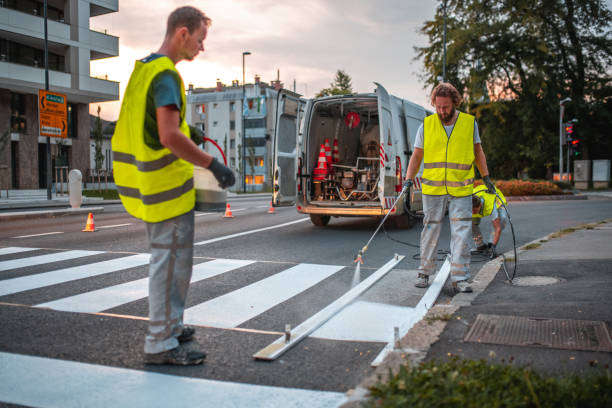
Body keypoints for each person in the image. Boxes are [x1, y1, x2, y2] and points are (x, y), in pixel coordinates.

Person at [112, 6, 235, 365]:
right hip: (167, 190)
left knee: (171, 261)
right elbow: (167, 135)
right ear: (182, 33)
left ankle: (171, 325)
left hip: (151, 186)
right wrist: (212, 164)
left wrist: (190, 131)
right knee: (170, 264)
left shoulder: (144, 69)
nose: (201, 47)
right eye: (200, 39)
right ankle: (159, 342)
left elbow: (155, 124)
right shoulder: (166, 75)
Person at [404, 83, 495, 293]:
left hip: (461, 188)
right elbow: (417, 155)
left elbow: (478, 151)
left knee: (462, 233)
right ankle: (424, 272)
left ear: (455, 102)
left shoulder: (468, 123)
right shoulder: (426, 125)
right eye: (438, 107)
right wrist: (408, 180)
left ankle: (460, 277)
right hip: (433, 188)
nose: (441, 111)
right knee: (430, 229)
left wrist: (486, 176)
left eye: (445, 107)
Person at [472, 185, 508, 258]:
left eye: (474, 211)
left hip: (496, 200)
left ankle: (491, 245)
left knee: (502, 220)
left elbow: (497, 228)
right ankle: (480, 245)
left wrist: (493, 247)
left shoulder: (490, 206)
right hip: (480, 195)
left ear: (480, 206)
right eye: (471, 211)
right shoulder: (467, 203)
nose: (472, 212)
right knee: (470, 223)